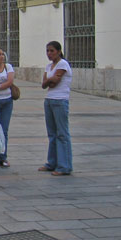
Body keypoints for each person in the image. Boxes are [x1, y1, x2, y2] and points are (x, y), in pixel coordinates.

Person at [39, 40, 73, 176]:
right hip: (49, 100)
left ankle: (64, 166)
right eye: (47, 51)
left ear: (59, 51)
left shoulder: (63, 64)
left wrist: (49, 80)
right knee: (52, 134)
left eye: (52, 51)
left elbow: (55, 81)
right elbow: (44, 84)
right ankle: (52, 162)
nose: (49, 53)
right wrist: (49, 80)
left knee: (62, 134)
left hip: (60, 100)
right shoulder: (49, 66)